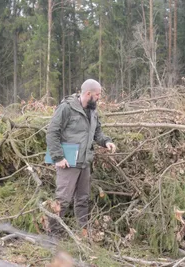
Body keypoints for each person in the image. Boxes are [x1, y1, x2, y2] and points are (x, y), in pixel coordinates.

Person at [46, 79, 116, 236]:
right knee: (62, 200)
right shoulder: (66, 108)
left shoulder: (93, 111)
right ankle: (53, 234)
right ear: (88, 94)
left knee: (83, 200)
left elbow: (97, 133)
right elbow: (52, 133)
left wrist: (106, 142)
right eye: (97, 95)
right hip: (68, 163)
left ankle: (83, 232)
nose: (99, 98)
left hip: (85, 162)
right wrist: (58, 157)